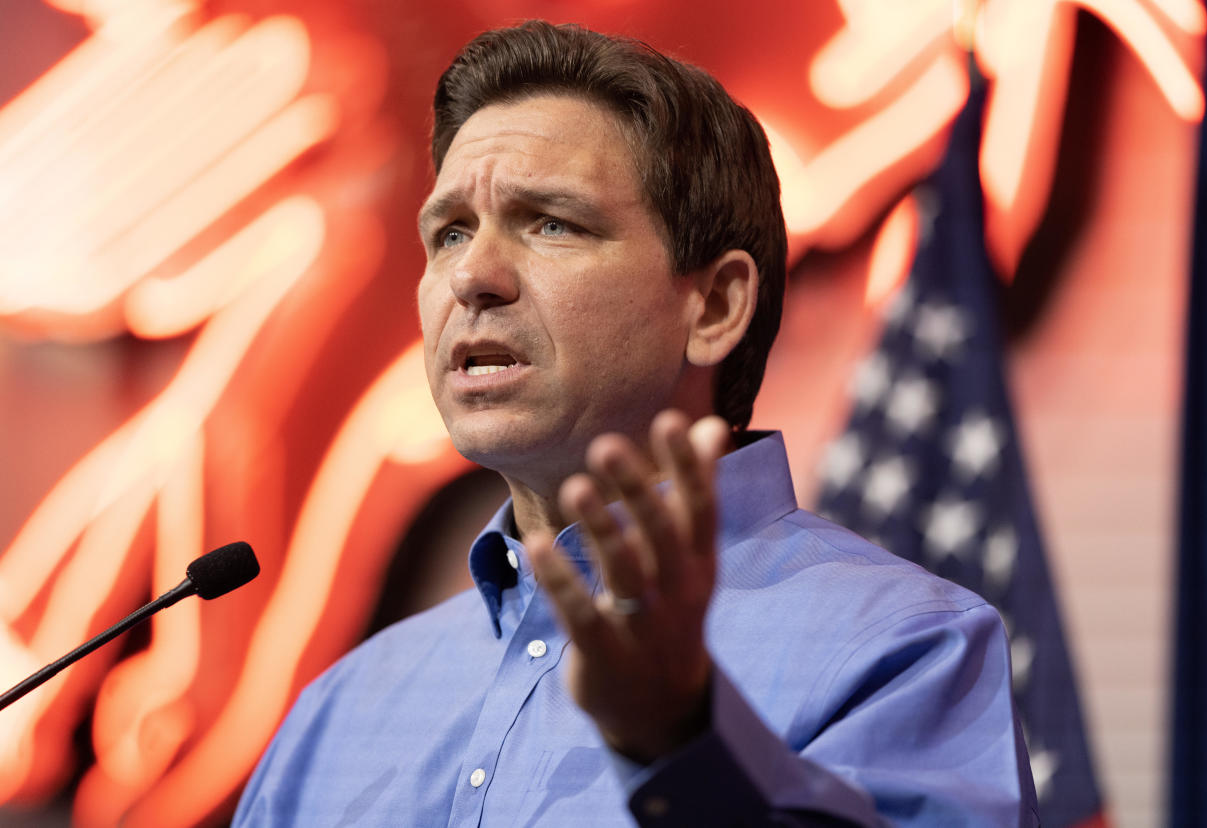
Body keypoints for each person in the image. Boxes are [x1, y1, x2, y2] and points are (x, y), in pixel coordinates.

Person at [234, 21, 1038, 827]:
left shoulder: (904, 649)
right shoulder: (334, 717)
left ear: (715, 306)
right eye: (448, 233)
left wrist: (683, 741)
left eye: (551, 222)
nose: (471, 276)